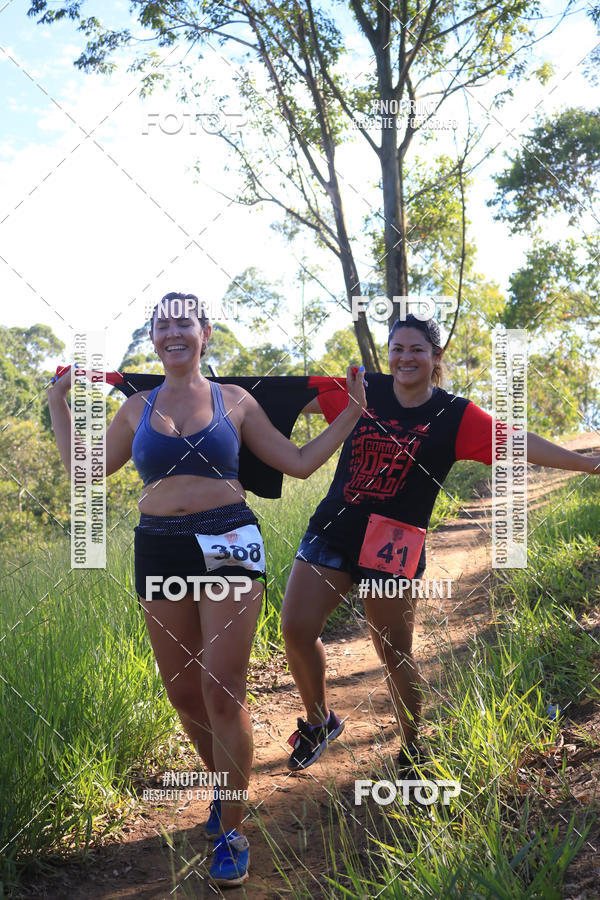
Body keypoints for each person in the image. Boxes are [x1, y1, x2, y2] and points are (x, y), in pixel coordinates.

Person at [46, 292, 366, 887]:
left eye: (183, 323)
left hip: (228, 539)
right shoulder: (136, 407)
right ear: (152, 337)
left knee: (221, 689)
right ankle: (225, 789)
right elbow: (83, 473)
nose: (173, 333)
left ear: (205, 333)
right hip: (160, 543)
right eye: (161, 325)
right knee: (185, 694)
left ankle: (234, 831)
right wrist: (56, 402)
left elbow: (296, 463)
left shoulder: (236, 401)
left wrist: (350, 414)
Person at [281, 314, 600, 774]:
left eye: (416, 350)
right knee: (295, 628)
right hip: (332, 529)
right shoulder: (363, 389)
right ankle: (318, 720)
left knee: (392, 648)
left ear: (435, 357)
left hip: (393, 544)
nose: (405, 358)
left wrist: (587, 465)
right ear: (387, 354)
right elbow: (284, 397)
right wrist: (195, 386)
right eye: (397, 349)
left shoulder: (456, 416)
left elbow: (516, 442)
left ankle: (412, 744)